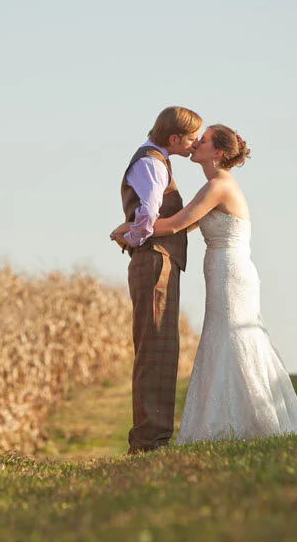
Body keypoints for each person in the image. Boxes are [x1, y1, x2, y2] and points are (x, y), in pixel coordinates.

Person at [111, 124, 297, 443]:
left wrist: (128, 230)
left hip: (231, 271)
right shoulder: (214, 186)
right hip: (222, 269)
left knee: (232, 337)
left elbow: (173, 225)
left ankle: (244, 422)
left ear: (218, 153)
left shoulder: (219, 187)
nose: (196, 142)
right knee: (222, 335)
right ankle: (231, 419)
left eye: (205, 139)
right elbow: (182, 226)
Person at [113, 106, 202, 454]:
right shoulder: (152, 162)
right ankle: (149, 441)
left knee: (160, 347)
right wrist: (132, 237)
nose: (194, 144)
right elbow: (148, 214)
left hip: (158, 260)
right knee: (155, 349)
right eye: (192, 137)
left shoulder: (158, 160)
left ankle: (152, 438)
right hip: (153, 260)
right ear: (175, 138)